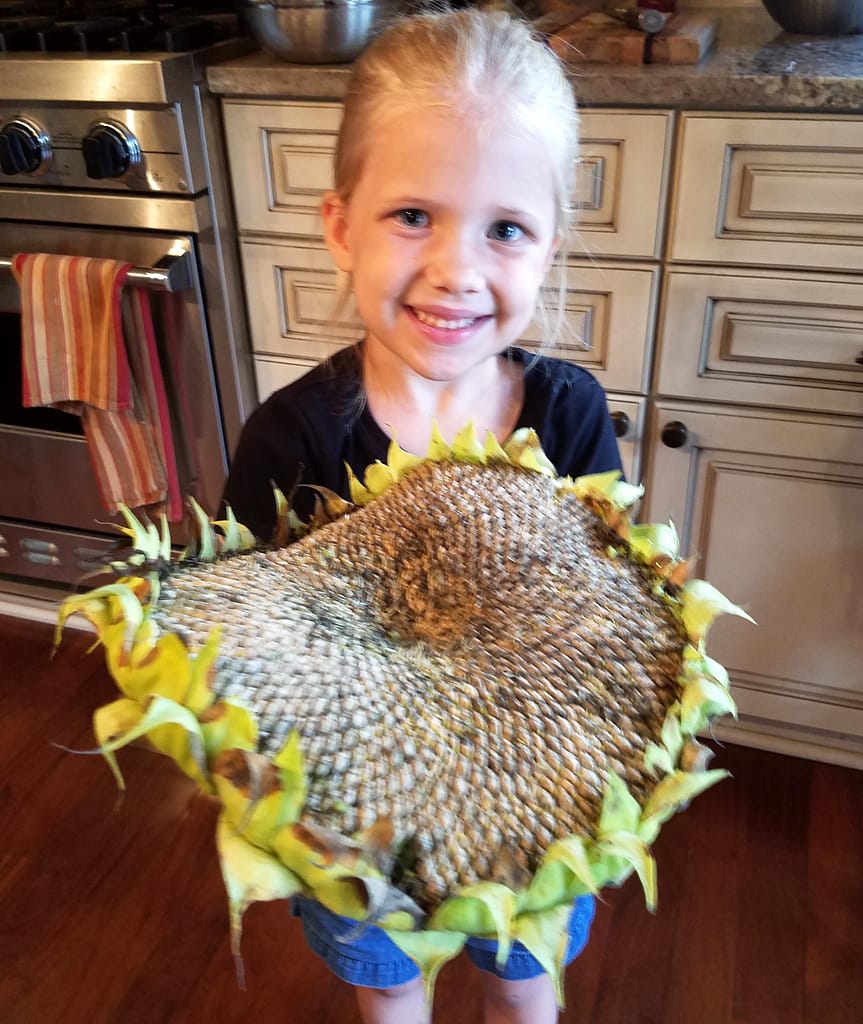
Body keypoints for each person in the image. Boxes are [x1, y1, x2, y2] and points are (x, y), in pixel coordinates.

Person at [222, 7, 623, 1023]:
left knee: (526, 996)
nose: (455, 268)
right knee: (391, 999)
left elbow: (614, 615)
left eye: (503, 228)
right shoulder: (293, 439)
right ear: (339, 224)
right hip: (361, 828)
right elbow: (239, 651)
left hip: (528, 812)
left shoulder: (566, 414)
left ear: (548, 249)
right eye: (413, 216)